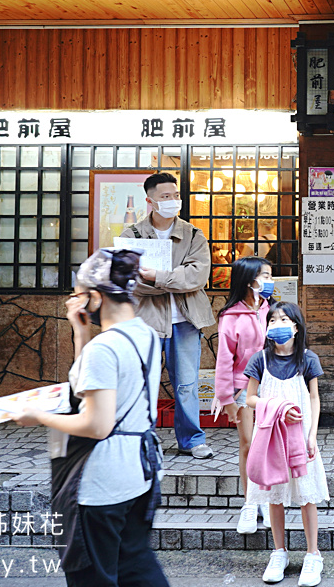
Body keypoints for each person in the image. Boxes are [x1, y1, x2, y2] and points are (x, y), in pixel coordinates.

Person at [12, 248, 167, 587]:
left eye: (80, 294)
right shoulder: (146, 335)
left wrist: (38, 416)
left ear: (95, 298)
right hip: (139, 472)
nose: (76, 300)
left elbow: (97, 424)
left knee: (91, 576)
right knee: (135, 566)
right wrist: (81, 334)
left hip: (99, 481)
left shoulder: (105, 348)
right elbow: (94, 388)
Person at [124, 172, 216, 459]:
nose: (173, 201)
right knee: (145, 383)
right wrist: (172, 280)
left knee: (187, 384)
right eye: (165, 197)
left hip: (186, 322)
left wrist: (157, 277)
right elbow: (130, 281)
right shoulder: (132, 236)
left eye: (175, 196)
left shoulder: (193, 234)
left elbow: (197, 277)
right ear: (150, 200)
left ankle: (192, 440)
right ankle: (144, 441)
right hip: (146, 321)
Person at [242, 302, 328, 587]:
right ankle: (278, 552)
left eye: (284, 319)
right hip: (269, 437)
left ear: (296, 326)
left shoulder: (307, 359)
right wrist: (276, 406)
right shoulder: (260, 360)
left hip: (300, 436)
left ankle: (313, 554)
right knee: (274, 495)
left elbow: (314, 398)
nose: (278, 324)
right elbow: (250, 398)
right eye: (273, 319)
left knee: (306, 495)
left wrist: (312, 435)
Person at [213, 257, 275, 536]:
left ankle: (268, 501)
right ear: (250, 280)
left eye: (270, 275)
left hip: (273, 386)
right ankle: (250, 502)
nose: (269, 280)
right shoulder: (231, 316)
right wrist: (226, 398)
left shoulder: (273, 311)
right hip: (242, 388)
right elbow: (225, 360)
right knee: (249, 443)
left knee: (271, 444)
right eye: (265, 275)